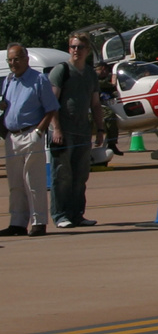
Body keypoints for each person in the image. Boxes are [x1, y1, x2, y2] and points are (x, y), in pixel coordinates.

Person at [47, 34, 103, 228]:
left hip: (83, 131)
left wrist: (100, 129)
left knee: (80, 176)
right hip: (62, 132)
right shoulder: (61, 71)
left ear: (88, 50)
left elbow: (95, 104)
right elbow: (52, 103)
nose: (76, 50)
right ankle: (60, 214)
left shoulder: (90, 74)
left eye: (80, 47)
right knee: (62, 175)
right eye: (73, 47)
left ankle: (77, 214)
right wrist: (57, 129)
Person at [4, 43, 59, 236]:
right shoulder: (9, 81)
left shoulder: (39, 80)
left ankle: (38, 221)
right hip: (12, 136)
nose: (13, 63)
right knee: (15, 182)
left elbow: (51, 107)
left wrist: (39, 131)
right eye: (10, 60)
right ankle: (17, 222)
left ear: (26, 59)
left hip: (30, 134)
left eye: (17, 59)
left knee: (33, 181)